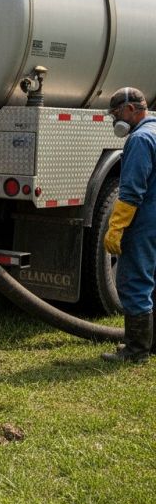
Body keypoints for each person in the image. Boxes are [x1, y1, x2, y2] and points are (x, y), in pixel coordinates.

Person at [102, 87, 156, 363]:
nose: (115, 121)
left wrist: (117, 227)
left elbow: (132, 190)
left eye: (116, 114)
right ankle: (150, 343)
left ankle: (136, 351)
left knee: (133, 282)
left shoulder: (140, 139)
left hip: (144, 222)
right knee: (152, 281)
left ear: (132, 110)